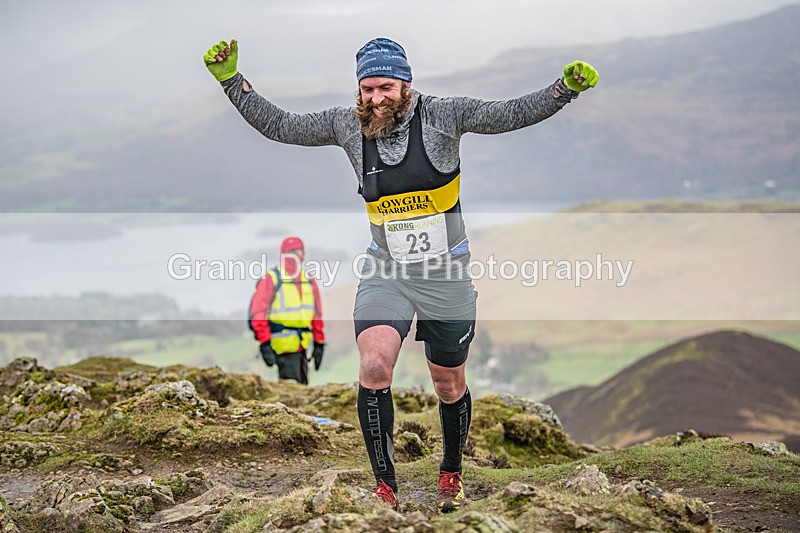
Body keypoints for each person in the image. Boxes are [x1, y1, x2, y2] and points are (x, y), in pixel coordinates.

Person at [205, 37, 598, 512]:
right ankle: (385, 487)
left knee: (448, 381)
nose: (375, 98)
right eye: (367, 89)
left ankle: (451, 472)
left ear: (406, 85)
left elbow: (507, 114)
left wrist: (563, 89)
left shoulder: (442, 115)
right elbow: (282, 126)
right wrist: (232, 82)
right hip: (385, 270)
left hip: (445, 274)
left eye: (386, 87)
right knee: (373, 366)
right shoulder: (347, 125)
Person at [249, 236, 325, 385]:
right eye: (292, 251)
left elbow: (317, 315)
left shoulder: (309, 280)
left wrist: (319, 343)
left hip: (302, 346)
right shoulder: (271, 278)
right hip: (282, 347)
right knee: (293, 394)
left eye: (299, 250)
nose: (296, 254)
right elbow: (258, 313)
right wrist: (265, 343)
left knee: (302, 389)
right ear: (284, 254)